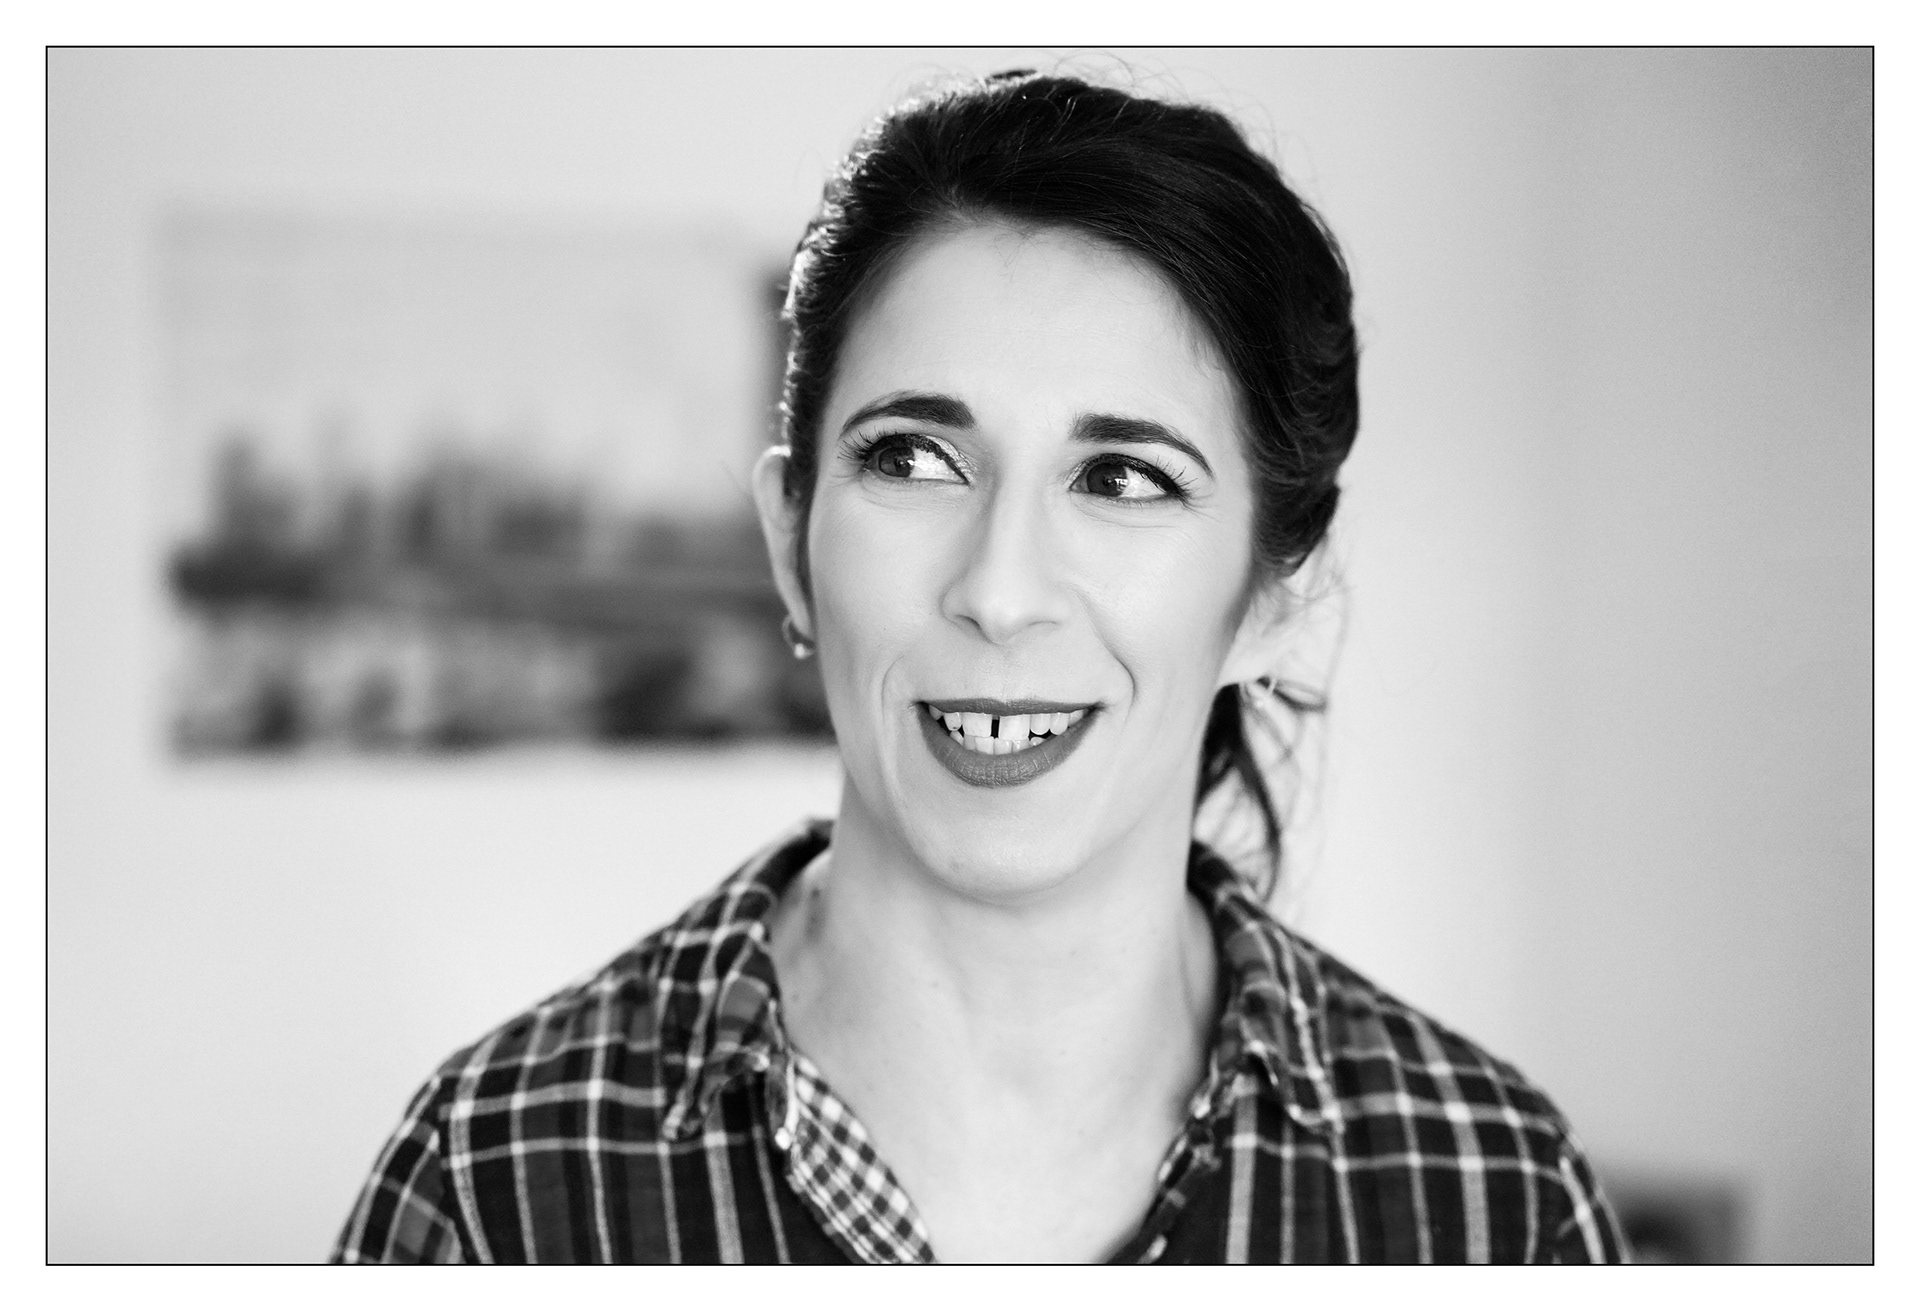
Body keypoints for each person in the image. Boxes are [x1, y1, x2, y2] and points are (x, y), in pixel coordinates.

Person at [333, 69, 1628, 1264]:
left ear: (1276, 597)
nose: (1000, 594)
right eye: (912, 460)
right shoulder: (492, 1185)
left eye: (1124, 478)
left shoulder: (1496, 1205)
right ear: (791, 543)